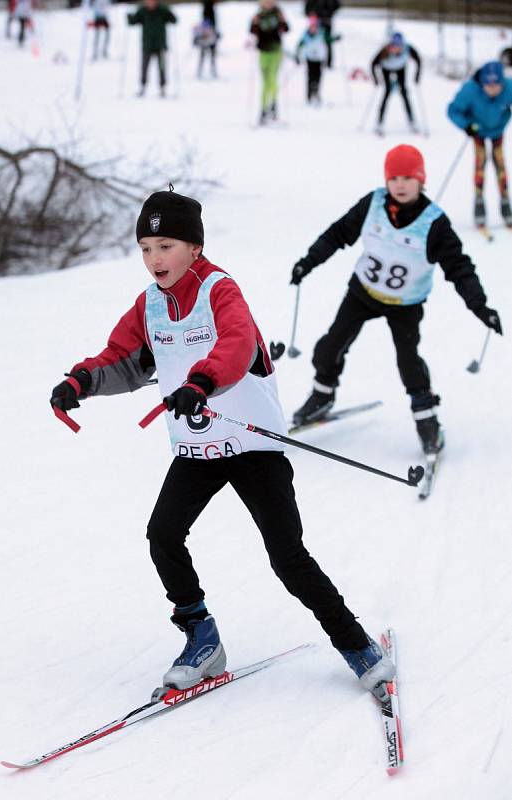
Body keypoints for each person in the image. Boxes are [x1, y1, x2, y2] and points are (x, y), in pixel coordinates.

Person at [50, 185, 395, 701]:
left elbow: (236, 343)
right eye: (145, 248)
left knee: (287, 557)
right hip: (199, 449)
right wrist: (80, 381)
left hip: (254, 445)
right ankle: (202, 639)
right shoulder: (151, 306)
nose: (153, 259)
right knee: (163, 536)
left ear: (194, 247)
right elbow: (121, 357)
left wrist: (201, 382)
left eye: (165, 246)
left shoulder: (220, 291)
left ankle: (356, 644)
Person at [290, 145, 502, 454]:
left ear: (421, 180)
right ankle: (322, 396)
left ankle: (428, 421)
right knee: (330, 346)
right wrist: (307, 262)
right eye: (394, 178)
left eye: (408, 178)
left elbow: (460, 269)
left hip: (406, 304)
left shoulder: (434, 224)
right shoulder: (373, 204)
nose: (400, 185)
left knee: (409, 362)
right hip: (362, 293)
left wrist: (481, 307)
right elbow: (338, 233)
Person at [447, 61, 512, 229]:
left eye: (496, 85)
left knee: (500, 164)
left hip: (497, 130)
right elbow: (453, 110)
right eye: (488, 85)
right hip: (478, 131)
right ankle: (479, 201)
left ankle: (505, 202)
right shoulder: (470, 90)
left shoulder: (509, 87)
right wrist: (466, 125)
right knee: (480, 164)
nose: (492, 89)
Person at [371, 32, 421, 136]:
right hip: (386, 69)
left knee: (404, 94)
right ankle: (379, 123)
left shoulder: (407, 48)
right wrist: (376, 80)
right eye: (394, 45)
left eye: (398, 46)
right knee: (387, 93)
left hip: (400, 69)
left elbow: (418, 60)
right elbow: (373, 64)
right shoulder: (384, 50)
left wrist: (416, 76)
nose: (396, 48)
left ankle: (412, 121)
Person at [249, 0, 289, 125]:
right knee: (265, 81)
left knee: (271, 79)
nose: (268, 3)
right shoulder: (259, 15)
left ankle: (271, 106)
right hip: (263, 51)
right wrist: (254, 23)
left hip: (276, 51)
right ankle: (266, 108)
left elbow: (286, 29)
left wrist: (283, 21)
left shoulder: (278, 13)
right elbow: (253, 31)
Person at [127, 0, 177, 98]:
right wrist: (129, 16)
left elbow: (173, 20)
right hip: (147, 45)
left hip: (160, 45)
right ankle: (143, 87)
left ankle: (162, 88)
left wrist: (170, 13)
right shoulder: (142, 11)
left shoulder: (162, 10)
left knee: (162, 67)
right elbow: (132, 22)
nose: (150, 2)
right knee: (144, 67)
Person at [296, 14, 339, 104]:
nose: (313, 29)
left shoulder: (321, 34)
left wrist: (336, 38)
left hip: (319, 59)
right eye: (312, 27)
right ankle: (309, 94)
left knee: (318, 76)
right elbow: (300, 45)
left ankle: (316, 93)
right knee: (310, 77)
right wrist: (297, 55)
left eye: (315, 27)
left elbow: (329, 39)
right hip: (310, 59)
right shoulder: (306, 36)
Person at [304, 0, 340, 69]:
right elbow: (308, 7)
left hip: (327, 21)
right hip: (315, 21)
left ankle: (328, 63)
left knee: (327, 41)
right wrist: (311, 13)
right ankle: (312, 60)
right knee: (313, 41)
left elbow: (337, 5)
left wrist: (329, 13)